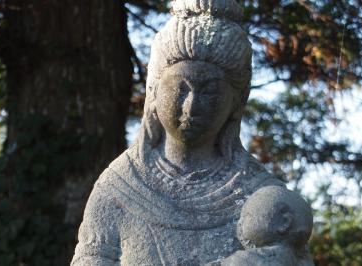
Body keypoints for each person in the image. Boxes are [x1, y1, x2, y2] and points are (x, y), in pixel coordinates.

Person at [71, 0, 285, 265]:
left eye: (210, 91)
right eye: (180, 88)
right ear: (154, 91)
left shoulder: (261, 196)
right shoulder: (120, 186)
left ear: (236, 103)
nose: (192, 106)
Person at [219, 186, 314, 266]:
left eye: (247, 216)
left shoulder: (244, 260)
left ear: (284, 223)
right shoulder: (303, 262)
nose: (240, 223)